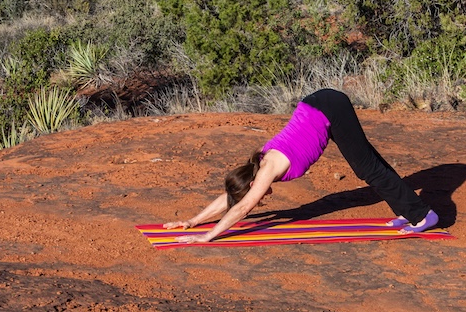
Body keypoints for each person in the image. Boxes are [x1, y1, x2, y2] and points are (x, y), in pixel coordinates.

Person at [164, 88, 438, 243]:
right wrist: (192, 221)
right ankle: (407, 208)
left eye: (253, 193)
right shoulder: (257, 161)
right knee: (367, 164)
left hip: (330, 108)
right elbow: (232, 199)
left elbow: (243, 207)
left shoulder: (267, 167)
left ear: (251, 184)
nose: (259, 199)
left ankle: (422, 215)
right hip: (318, 104)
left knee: (367, 168)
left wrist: (208, 236)